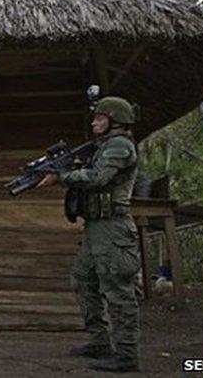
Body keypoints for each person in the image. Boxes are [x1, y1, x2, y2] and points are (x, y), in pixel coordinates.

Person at [37, 96, 142, 373]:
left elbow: (98, 178)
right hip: (96, 226)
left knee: (118, 289)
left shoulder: (119, 146)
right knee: (83, 279)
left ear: (115, 121)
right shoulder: (102, 147)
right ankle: (100, 342)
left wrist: (62, 177)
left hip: (113, 228)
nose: (94, 122)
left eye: (99, 118)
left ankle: (127, 353)